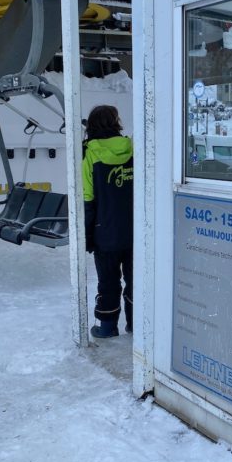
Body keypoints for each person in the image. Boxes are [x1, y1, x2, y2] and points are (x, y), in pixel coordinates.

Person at [82, 105, 134, 338]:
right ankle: (136, 325)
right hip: (135, 230)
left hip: (105, 231)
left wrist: (88, 236)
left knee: (108, 281)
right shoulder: (132, 147)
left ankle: (106, 327)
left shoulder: (90, 153)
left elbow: (88, 196)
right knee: (135, 279)